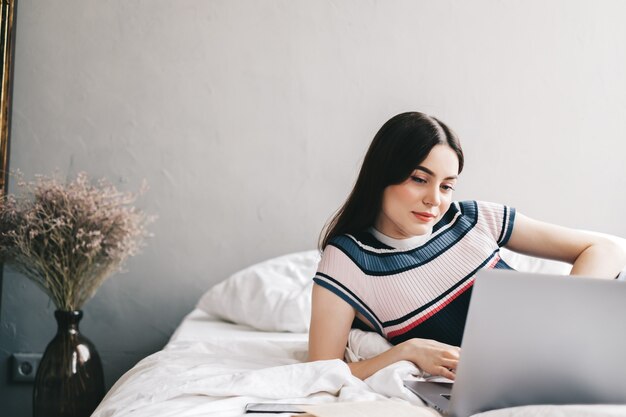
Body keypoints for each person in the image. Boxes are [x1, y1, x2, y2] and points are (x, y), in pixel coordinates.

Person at [307, 112, 626, 382]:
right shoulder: (348, 259)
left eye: (447, 186)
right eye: (419, 179)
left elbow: (607, 249)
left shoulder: (473, 218)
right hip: (510, 383)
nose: (435, 199)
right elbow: (322, 370)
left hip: (574, 353)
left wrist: (568, 314)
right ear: (383, 175)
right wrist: (407, 351)